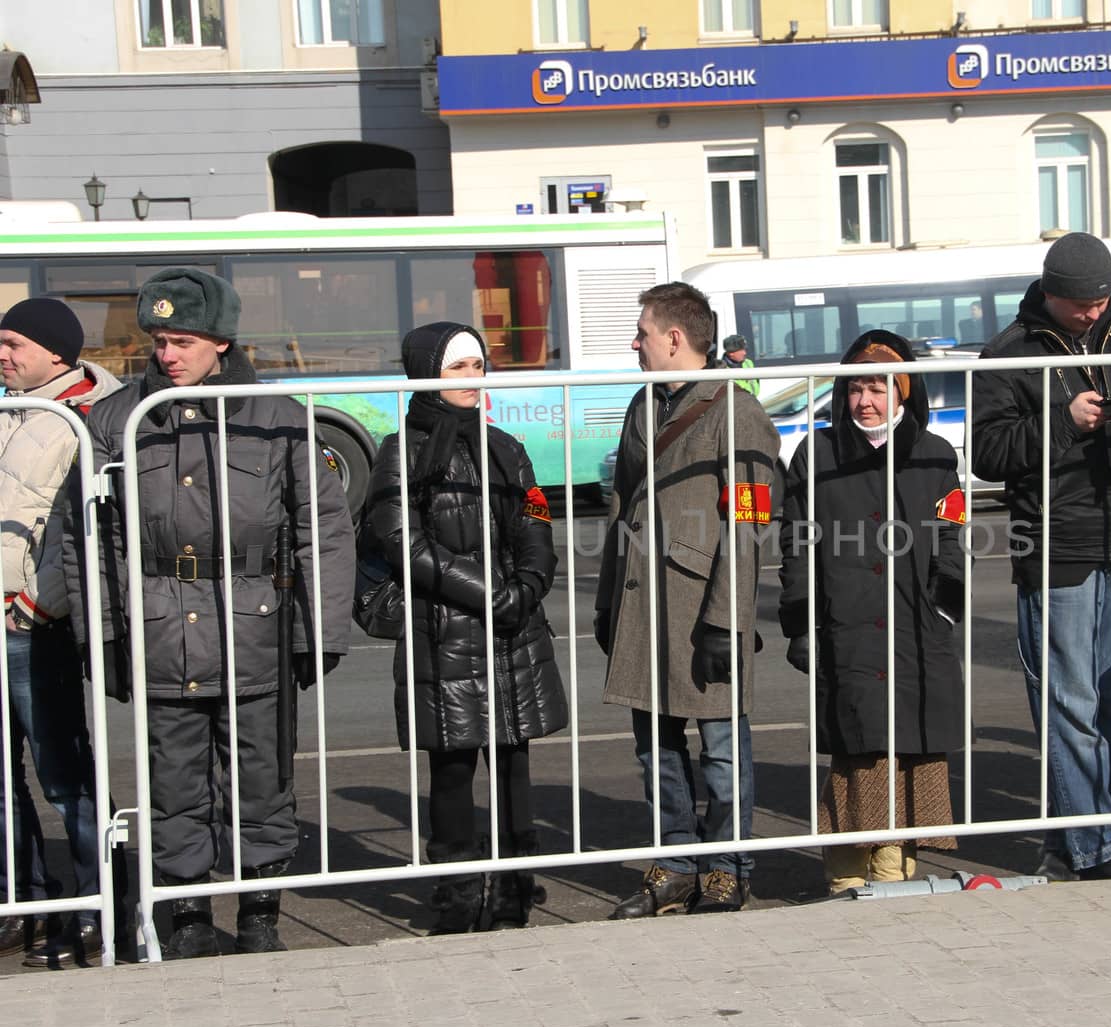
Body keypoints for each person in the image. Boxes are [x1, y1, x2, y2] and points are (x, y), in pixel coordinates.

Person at [64, 267, 355, 955]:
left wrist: (321, 630)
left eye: (184, 340)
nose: (169, 355)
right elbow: (84, 538)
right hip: (161, 630)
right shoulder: (115, 419)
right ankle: (187, 913)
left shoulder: (277, 416)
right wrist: (103, 633)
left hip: (257, 629)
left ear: (221, 342)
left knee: (263, 777)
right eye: (160, 340)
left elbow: (323, 526)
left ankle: (260, 911)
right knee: (173, 780)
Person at [972, 232, 1111, 880]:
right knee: (1068, 699)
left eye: (1102, 299)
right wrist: (1065, 419)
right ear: (1050, 293)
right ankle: (1097, 846)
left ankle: (1074, 840)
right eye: (1081, 303)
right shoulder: (1010, 352)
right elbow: (989, 453)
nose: (1095, 311)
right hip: (1055, 545)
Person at [364, 323, 568, 934]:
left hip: (513, 632)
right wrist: (490, 593)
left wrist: (530, 584)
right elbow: (401, 539)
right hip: (442, 631)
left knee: (513, 762)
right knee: (451, 770)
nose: (471, 378)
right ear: (426, 372)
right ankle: (454, 897)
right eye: (456, 368)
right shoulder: (399, 451)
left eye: (478, 365)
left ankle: (513, 891)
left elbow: (535, 516)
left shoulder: (506, 445)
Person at [596, 282, 780, 917]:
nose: (634, 342)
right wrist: (605, 601)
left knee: (722, 749)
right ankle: (675, 863)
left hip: (704, 607)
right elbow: (622, 504)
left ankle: (729, 865)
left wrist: (726, 620)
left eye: (642, 332)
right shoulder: (642, 404)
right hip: (644, 604)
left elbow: (750, 521)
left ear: (674, 339)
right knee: (656, 747)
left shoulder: (738, 411)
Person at [778, 331, 965, 894]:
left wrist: (947, 603)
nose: (866, 401)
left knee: (910, 743)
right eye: (856, 388)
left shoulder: (935, 454)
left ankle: (896, 871)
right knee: (858, 749)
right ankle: (846, 875)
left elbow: (951, 531)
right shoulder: (819, 453)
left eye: (879, 389)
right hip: (849, 626)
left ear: (902, 392)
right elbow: (796, 541)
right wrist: (801, 618)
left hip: (916, 626)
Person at [0, 298, 123, 965]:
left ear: (55, 351)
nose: (2, 353)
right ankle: (22, 902)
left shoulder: (78, 414)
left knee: (61, 774)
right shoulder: (13, 408)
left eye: (14, 343)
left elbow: (73, 527)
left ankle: (96, 904)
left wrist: (37, 604)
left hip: (29, 625)